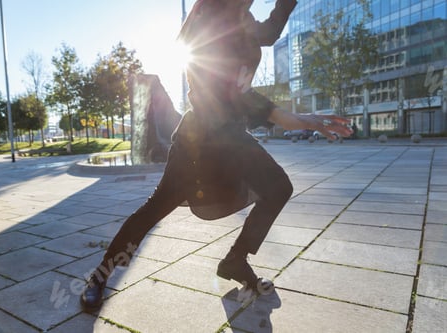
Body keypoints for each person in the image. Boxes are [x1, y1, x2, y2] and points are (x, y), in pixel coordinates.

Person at [81, 0, 353, 311]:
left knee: (278, 187)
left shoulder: (245, 20)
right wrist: (297, 118)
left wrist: (305, 118)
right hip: (197, 141)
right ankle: (100, 275)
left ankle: (236, 260)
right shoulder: (209, 12)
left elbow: (271, 30)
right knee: (156, 208)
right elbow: (211, 66)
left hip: (233, 137)